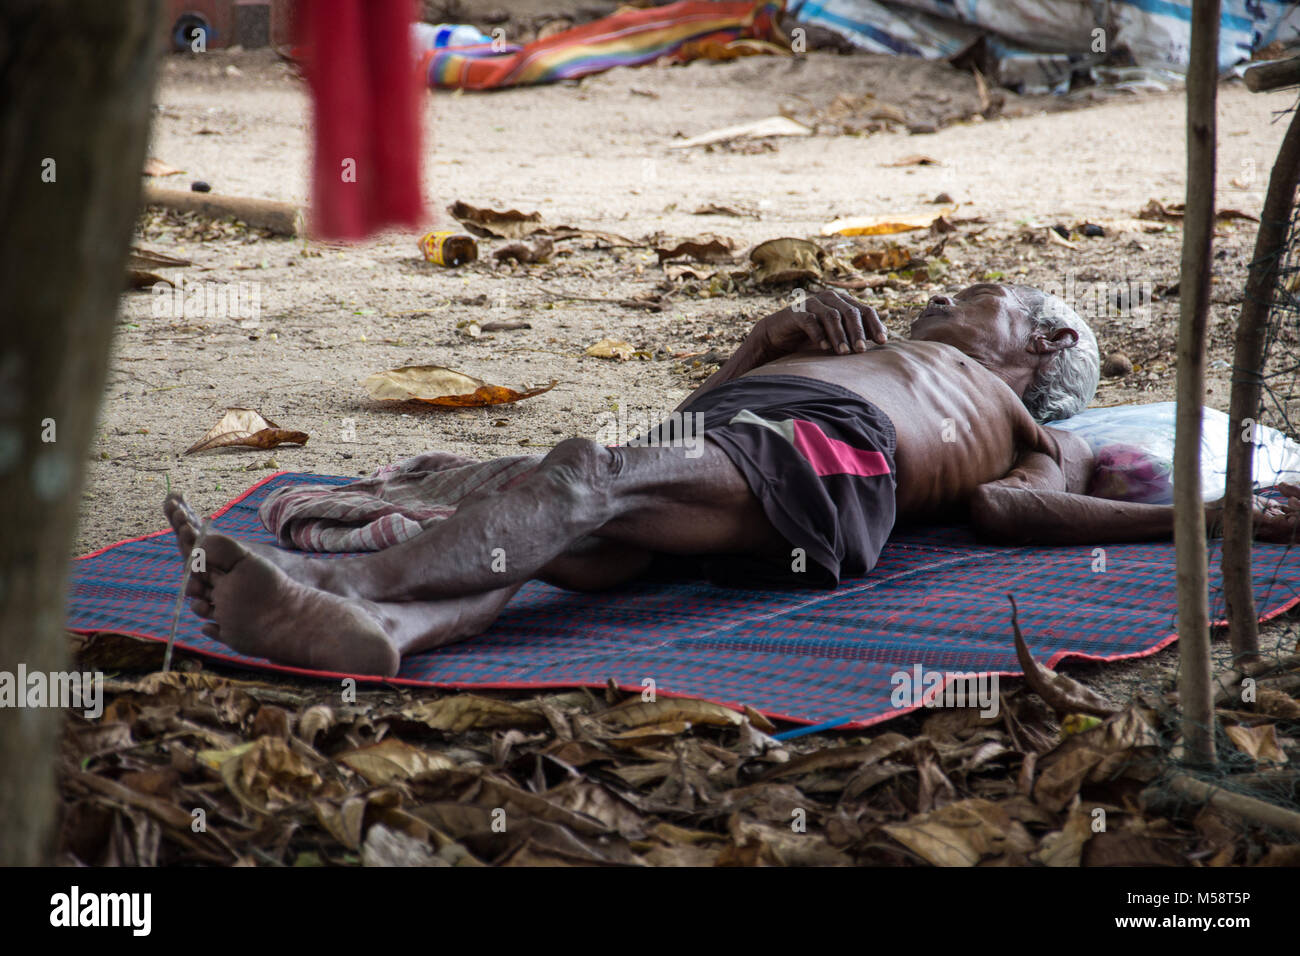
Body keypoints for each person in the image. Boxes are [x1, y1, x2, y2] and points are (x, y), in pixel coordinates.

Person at [163, 284, 1300, 675]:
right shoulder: (857, 342)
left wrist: (1205, 512)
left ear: (1043, 344)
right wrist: (765, 338)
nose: (952, 298)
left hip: (840, 451)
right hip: (763, 447)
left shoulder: (998, 404)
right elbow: (687, 423)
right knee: (572, 526)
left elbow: (1009, 505)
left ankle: (356, 591)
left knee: (581, 476)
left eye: (984, 294)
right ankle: (401, 633)